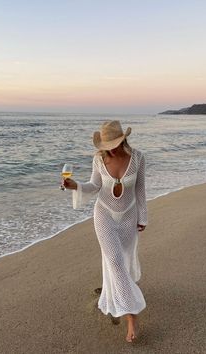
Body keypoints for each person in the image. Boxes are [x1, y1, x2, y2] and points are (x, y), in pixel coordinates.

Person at [62, 120, 148, 343]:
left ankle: (117, 293)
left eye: (114, 143)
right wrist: (76, 186)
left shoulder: (138, 158)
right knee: (116, 262)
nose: (110, 148)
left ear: (123, 139)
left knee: (125, 262)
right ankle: (132, 317)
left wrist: (143, 216)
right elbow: (94, 186)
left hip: (128, 215)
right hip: (104, 215)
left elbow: (140, 190)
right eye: (106, 144)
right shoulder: (99, 159)